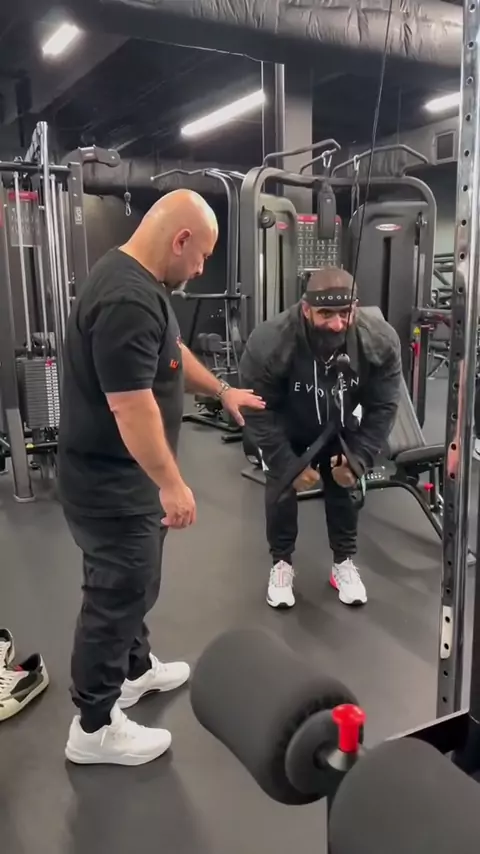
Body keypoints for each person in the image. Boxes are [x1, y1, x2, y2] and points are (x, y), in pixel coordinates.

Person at [58, 189, 265, 766]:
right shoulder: (126, 298)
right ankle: (93, 726)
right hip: (113, 487)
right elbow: (131, 407)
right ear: (181, 240)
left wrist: (221, 389)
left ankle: (134, 670)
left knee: (134, 585)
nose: (201, 269)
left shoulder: (140, 282)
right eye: (202, 257)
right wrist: (171, 484)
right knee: (117, 595)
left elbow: (171, 355)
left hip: (122, 481)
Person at [239, 267, 402, 609]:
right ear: (306, 309)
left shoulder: (379, 340)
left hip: (341, 425)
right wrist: (287, 463)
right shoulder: (271, 341)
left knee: (344, 486)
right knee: (281, 490)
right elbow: (256, 408)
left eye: (345, 313)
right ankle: (281, 563)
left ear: (355, 308)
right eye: (326, 313)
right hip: (287, 425)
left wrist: (359, 457)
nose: (337, 324)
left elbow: (384, 406)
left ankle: (343, 563)